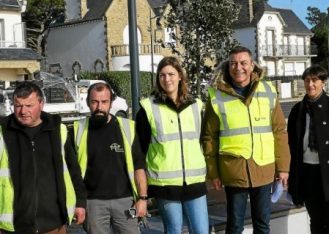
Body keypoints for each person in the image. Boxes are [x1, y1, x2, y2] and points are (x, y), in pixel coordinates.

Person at [201, 46, 290, 233]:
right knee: (234, 226)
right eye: (233, 63)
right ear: (228, 66)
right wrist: (214, 173)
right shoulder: (216, 96)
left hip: (263, 168)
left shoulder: (268, 91)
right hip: (234, 171)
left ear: (252, 65)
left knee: (262, 224)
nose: (238, 67)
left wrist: (283, 168)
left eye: (243, 63)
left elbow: (279, 132)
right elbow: (209, 138)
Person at [0, 81, 86, 233]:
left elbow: (73, 170)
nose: (23, 111)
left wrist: (80, 203)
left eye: (29, 105)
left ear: (41, 104)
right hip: (13, 226)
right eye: (18, 105)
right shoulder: (3, 132)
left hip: (54, 224)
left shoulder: (58, 131)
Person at [136, 56, 209, 233]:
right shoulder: (148, 109)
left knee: (201, 231)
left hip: (195, 182)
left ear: (180, 77)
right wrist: (142, 194)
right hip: (165, 185)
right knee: (173, 230)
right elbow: (139, 152)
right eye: (162, 75)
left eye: (171, 74)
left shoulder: (196, 106)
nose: (167, 79)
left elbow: (204, 142)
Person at [72, 82, 147, 234]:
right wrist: (78, 203)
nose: (99, 107)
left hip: (125, 201)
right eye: (94, 102)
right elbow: (72, 173)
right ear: (88, 103)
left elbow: (139, 166)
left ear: (111, 103)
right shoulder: (77, 129)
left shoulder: (127, 128)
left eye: (104, 102)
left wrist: (143, 199)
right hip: (93, 203)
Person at [287, 66, 329, 234]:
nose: (310, 84)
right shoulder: (298, 110)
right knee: (315, 219)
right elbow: (292, 146)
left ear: (323, 82)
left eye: (315, 80)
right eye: (307, 80)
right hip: (307, 172)